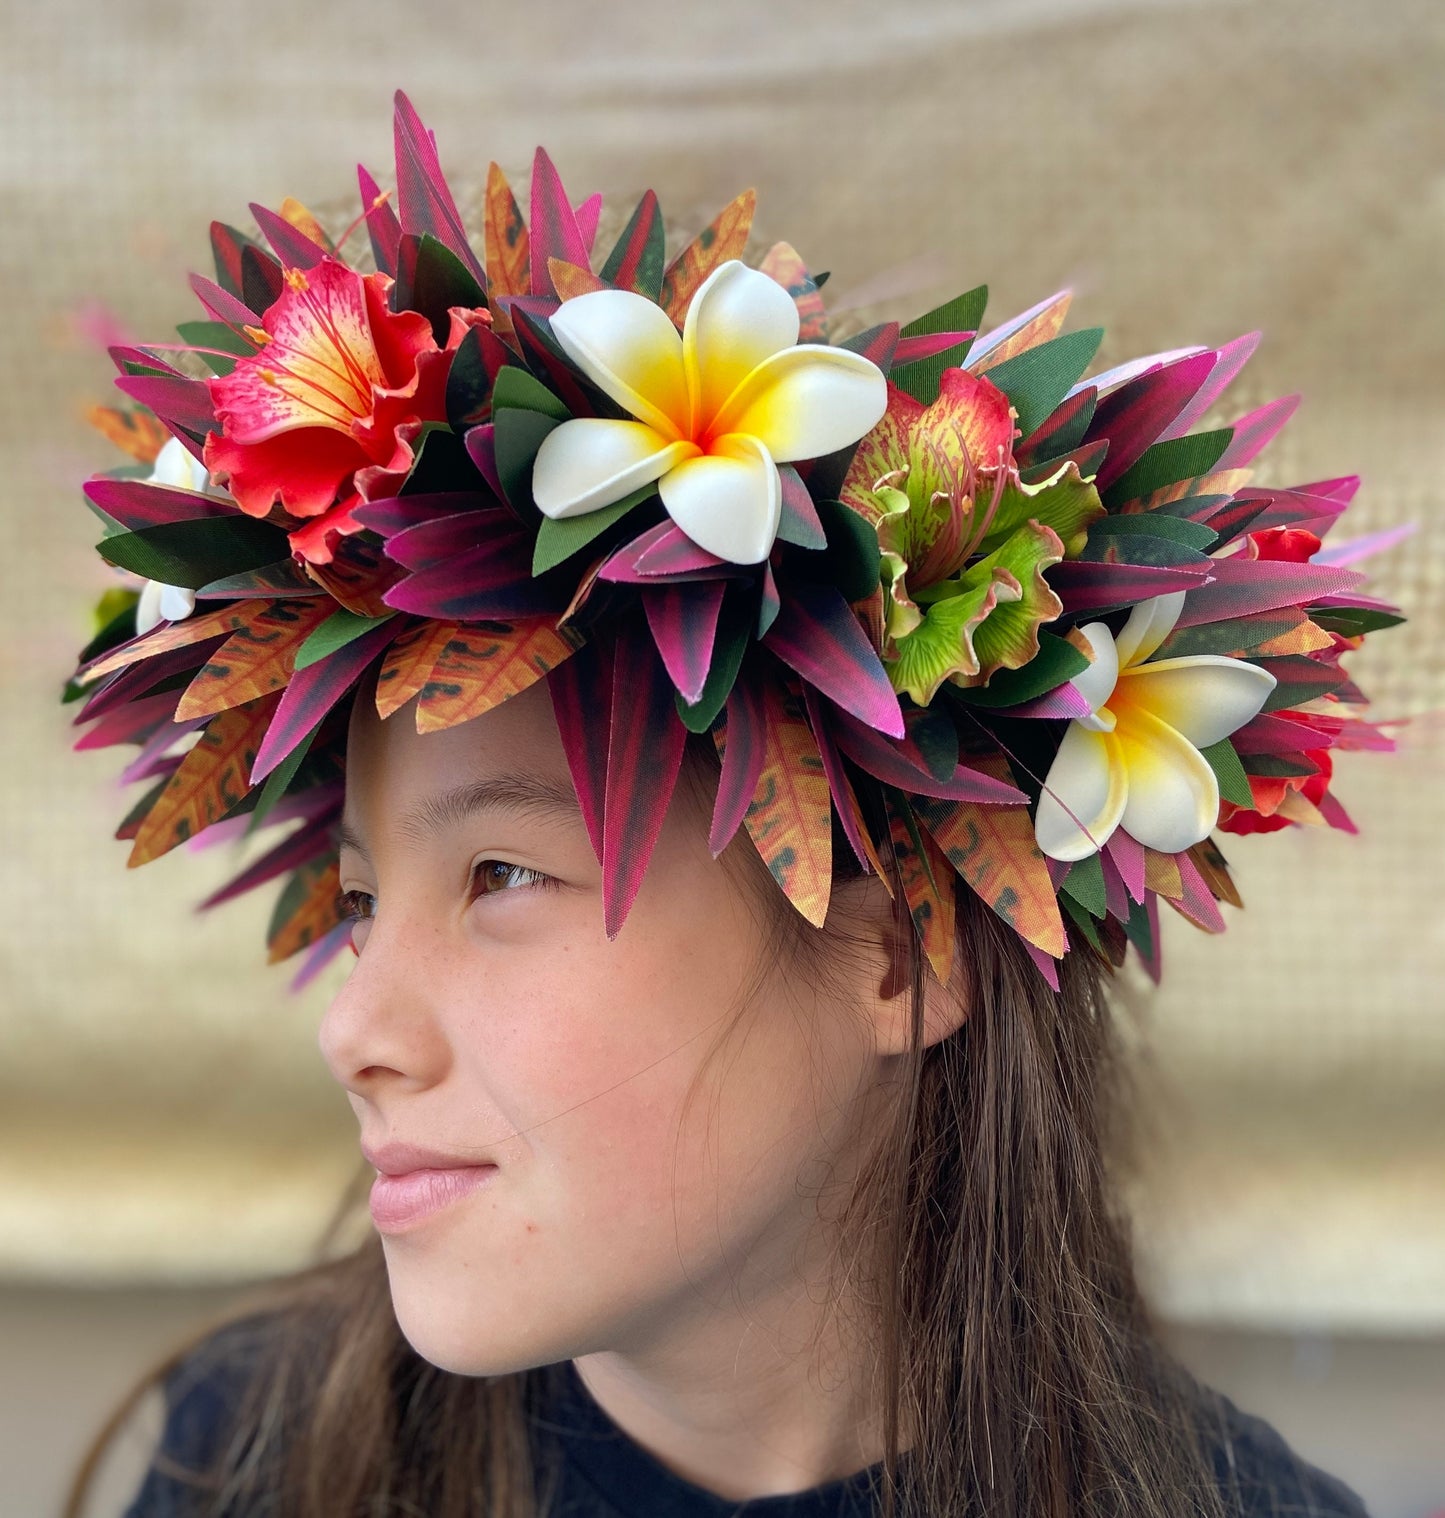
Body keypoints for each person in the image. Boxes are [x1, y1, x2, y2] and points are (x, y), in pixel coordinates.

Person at [63, 92, 1394, 1518]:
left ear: (903, 948)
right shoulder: (255, 1461)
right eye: (367, 897)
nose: (353, 1030)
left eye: (501, 874)